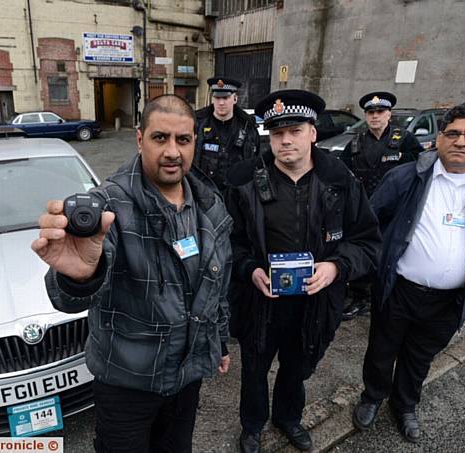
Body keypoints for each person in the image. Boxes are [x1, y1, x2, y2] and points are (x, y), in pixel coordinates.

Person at [31, 94, 233, 453]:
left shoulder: (208, 204)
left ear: (194, 143)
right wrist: (79, 277)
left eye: (183, 140)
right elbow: (69, 293)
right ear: (139, 139)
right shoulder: (108, 205)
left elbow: (218, 283)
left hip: (186, 378)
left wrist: (219, 339)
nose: (172, 151)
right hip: (127, 385)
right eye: (160, 138)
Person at [225, 89, 381, 452]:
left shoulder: (340, 182)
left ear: (312, 132)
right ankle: (252, 426)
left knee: (297, 370)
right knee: (253, 371)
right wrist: (249, 269)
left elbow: (368, 243)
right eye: (277, 133)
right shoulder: (244, 181)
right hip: (260, 302)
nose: (285, 140)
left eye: (294, 130)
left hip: (315, 303)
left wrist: (336, 267)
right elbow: (228, 242)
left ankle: (288, 418)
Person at [353, 102, 465, 443]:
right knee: (381, 349)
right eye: (453, 133)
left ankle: (404, 405)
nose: (461, 141)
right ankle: (372, 396)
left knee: (419, 357)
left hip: (449, 301)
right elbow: (370, 225)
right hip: (399, 289)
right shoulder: (406, 176)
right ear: (439, 138)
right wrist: (374, 273)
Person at [339, 91, 423, 320]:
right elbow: (342, 173)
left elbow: (420, 172)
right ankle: (358, 296)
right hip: (364, 209)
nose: (375, 116)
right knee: (361, 249)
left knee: (388, 253)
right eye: (370, 112)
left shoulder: (404, 140)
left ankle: (382, 295)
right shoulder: (356, 142)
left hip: (394, 211)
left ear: (389, 114)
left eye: (380, 112)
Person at [194, 76, 260, 192]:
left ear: (235, 99)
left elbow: (256, 164)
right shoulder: (198, 126)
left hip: (238, 196)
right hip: (205, 195)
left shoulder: (248, 129)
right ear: (212, 99)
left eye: (225, 97)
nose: (221, 102)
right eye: (217, 98)